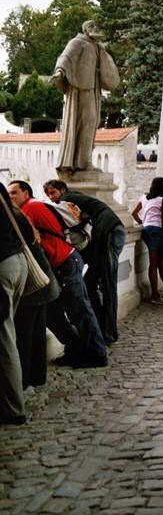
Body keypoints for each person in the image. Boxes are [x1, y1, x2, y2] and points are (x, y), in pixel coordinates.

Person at [8, 181, 107, 369]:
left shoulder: (30, 208)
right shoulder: (34, 205)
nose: (11, 196)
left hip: (64, 262)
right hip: (63, 263)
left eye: (14, 193)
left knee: (79, 310)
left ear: (25, 193)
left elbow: (22, 241)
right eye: (8, 194)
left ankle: (97, 354)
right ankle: (75, 348)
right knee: (53, 312)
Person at [43, 179, 126, 344]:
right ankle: (101, 328)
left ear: (63, 189)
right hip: (110, 234)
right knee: (89, 283)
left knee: (108, 285)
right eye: (48, 195)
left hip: (109, 233)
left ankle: (110, 334)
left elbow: (72, 219)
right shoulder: (76, 198)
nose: (51, 198)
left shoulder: (67, 199)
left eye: (53, 192)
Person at [50, 20, 120, 171]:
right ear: (85, 30)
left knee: (91, 123)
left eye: (96, 25)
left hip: (93, 90)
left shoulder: (97, 47)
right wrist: (59, 72)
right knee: (84, 122)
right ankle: (78, 163)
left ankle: (85, 161)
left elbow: (107, 67)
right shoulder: (77, 42)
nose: (95, 28)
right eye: (91, 27)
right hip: (79, 89)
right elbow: (65, 57)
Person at [14, 215, 60, 391]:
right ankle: (37, 376)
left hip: (32, 283)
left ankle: (23, 379)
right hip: (42, 279)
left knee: (24, 333)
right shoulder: (19, 215)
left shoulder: (13, 217)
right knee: (38, 331)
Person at [0, 183, 29, 425]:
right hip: (18, 262)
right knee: (8, 335)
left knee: (5, 339)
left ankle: (13, 408)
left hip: (2, 268)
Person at [132, 177, 163, 305]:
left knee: (161, 263)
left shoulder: (144, 197)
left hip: (147, 230)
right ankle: (155, 295)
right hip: (157, 231)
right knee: (155, 263)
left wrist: (143, 223)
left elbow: (134, 213)